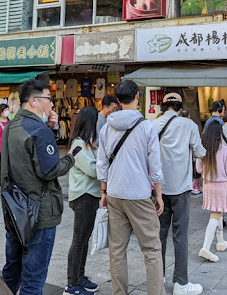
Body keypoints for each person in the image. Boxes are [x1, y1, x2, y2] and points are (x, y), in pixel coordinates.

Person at [2, 80, 75, 294]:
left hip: (14, 211)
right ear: (34, 102)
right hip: (39, 214)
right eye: (49, 100)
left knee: (11, 273)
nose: (52, 105)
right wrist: (70, 159)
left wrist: (49, 128)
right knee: (33, 280)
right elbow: (48, 170)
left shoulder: (11, 127)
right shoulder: (38, 130)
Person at [96, 80, 164, 295]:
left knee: (117, 250)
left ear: (117, 100)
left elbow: (102, 163)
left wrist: (103, 191)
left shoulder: (107, 127)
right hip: (139, 194)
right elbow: (155, 165)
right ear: (137, 96)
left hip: (115, 193)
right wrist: (159, 194)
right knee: (151, 249)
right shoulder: (146, 127)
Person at [154, 93, 205, 295]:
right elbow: (201, 152)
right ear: (180, 107)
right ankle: (180, 283)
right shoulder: (189, 125)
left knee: (159, 234)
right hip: (181, 188)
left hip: (158, 188)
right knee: (180, 235)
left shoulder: (153, 125)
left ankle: (158, 278)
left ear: (163, 106)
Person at [66, 107, 101, 295]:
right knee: (79, 240)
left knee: (84, 239)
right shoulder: (79, 144)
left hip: (89, 196)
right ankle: (72, 285)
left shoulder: (87, 143)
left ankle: (79, 276)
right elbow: (94, 170)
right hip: (83, 196)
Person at [196, 122, 227, 262]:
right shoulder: (224, 150)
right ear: (220, 134)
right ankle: (205, 248)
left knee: (218, 213)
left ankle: (221, 242)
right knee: (216, 214)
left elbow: (199, 170)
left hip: (207, 185)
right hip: (221, 185)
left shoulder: (203, 150)